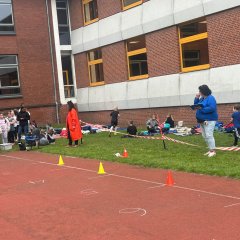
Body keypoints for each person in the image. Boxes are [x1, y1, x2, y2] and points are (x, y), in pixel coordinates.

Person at [193, 85, 218, 157]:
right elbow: (196, 105)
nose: (199, 92)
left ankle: (213, 151)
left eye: (200, 91)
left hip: (209, 119)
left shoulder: (211, 98)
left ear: (204, 91)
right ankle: (210, 149)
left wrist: (202, 110)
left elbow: (212, 108)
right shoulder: (202, 98)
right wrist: (196, 98)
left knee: (209, 135)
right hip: (201, 120)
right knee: (204, 135)